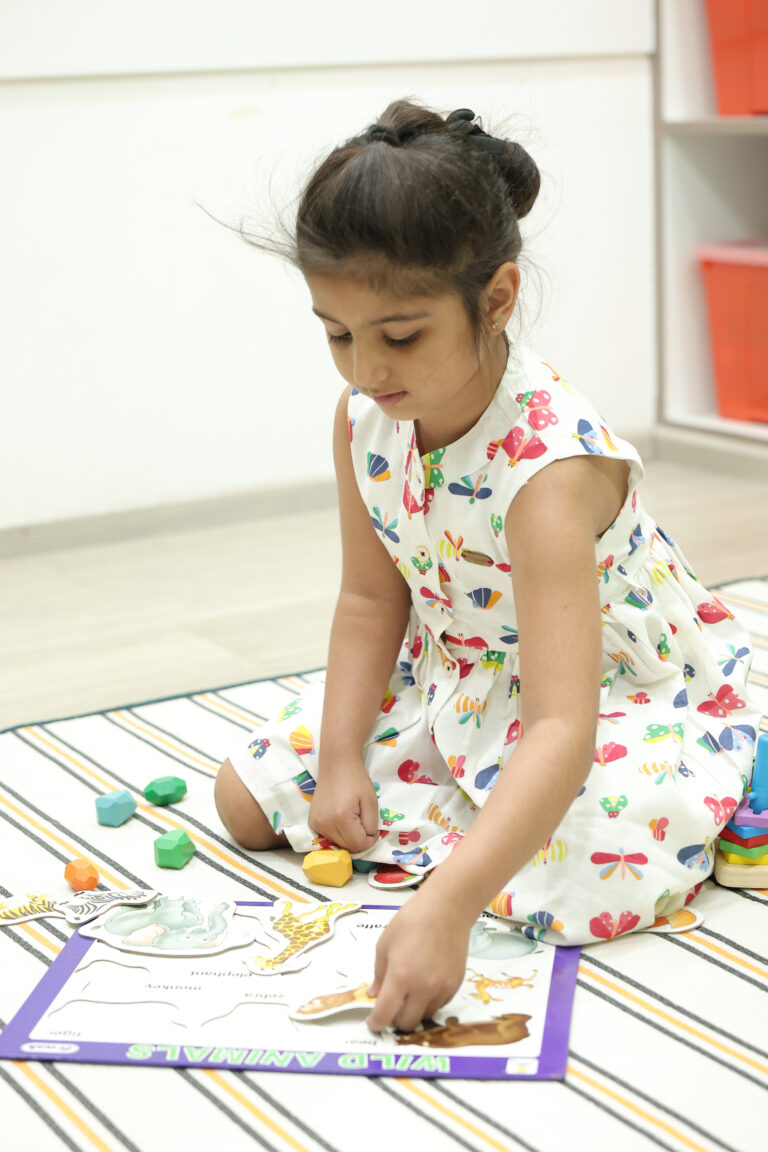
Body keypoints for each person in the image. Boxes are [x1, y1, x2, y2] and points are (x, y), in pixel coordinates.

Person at [214, 100, 760, 1033]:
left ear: (497, 298)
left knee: (579, 885)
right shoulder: (363, 420)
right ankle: (465, 819)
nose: (363, 371)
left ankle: (739, 762)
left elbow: (561, 722)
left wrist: (451, 905)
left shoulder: (546, 473)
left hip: (602, 692)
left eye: (400, 335)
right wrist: (342, 755)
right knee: (245, 800)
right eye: (337, 334)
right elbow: (366, 600)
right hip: (459, 679)